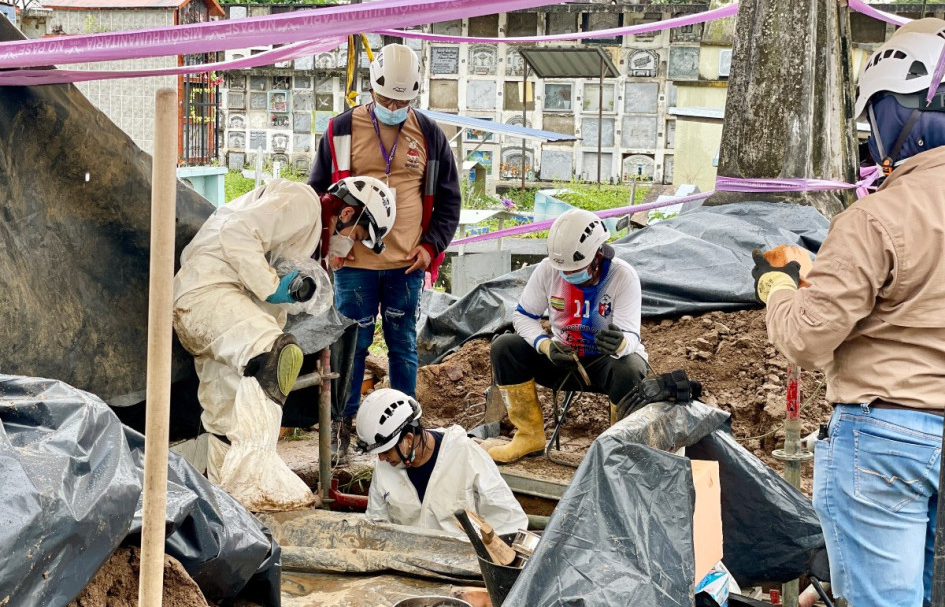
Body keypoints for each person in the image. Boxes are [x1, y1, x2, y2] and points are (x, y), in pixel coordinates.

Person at [752, 18, 945, 607]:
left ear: (893, 114)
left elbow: (808, 339)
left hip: (886, 439)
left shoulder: (873, 218)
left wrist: (777, 288)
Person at [173, 176, 394, 511]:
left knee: (226, 418)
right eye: (358, 237)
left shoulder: (304, 237)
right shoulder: (304, 203)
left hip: (206, 307)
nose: (350, 248)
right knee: (276, 356)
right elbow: (236, 233)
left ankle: (228, 509)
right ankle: (254, 481)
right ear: (348, 214)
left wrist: (281, 293)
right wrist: (272, 285)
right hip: (211, 292)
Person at [308, 43, 461, 458]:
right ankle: (345, 425)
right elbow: (317, 193)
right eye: (386, 98)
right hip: (353, 264)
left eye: (402, 100)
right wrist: (327, 245)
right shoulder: (342, 130)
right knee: (351, 346)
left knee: (402, 346)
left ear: (414, 95)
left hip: (406, 266)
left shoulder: (429, 135)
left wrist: (431, 248)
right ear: (371, 89)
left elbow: (449, 201)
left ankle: (406, 425)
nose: (393, 105)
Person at [487, 208, 648, 464]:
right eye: (565, 272)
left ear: (598, 254)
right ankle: (529, 436)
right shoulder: (549, 269)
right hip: (562, 360)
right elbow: (523, 316)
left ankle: (621, 451)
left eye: (577, 270)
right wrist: (546, 346)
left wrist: (622, 343)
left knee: (630, 368)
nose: (570, 277)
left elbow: (632, 336)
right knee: (504, 347)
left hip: (603, 366)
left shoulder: (622, 276)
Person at [356, 388, 528, 535]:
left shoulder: (464, 454)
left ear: (408, 439)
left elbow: (508, 520)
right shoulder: (385, 465)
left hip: (462, 564)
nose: (381, 458)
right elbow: (376, 524)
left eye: (385, 451)